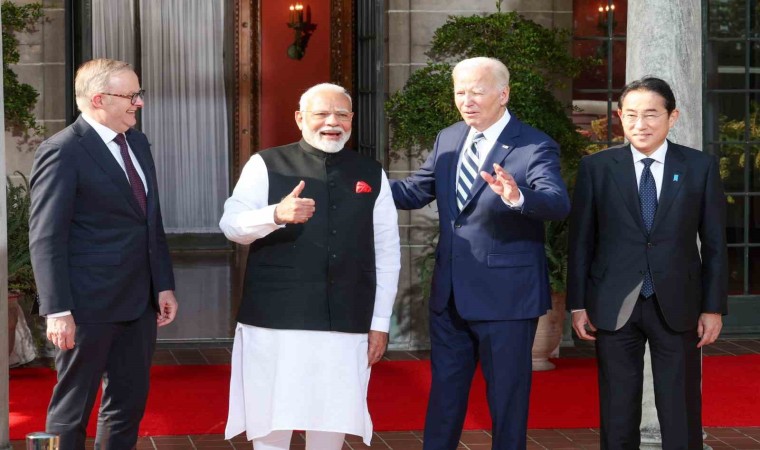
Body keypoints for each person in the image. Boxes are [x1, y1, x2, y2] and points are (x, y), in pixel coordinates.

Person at [390, 57, 570, 450]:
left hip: (507, 298)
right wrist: (362, 184)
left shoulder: (533, 144)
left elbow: (557, 203)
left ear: (503, 94)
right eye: (460, 92)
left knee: (507, 399)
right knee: (444, 395)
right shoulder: (449, 137)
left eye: (476, 91)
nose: (466, 101)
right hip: (451, 294)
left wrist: (517, 195)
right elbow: (416, 190)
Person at [219, 82, 401, 450]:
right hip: (275, 319)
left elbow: (387, 251)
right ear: (300, 119)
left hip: (346, 318)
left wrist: (380, 323)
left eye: (342, 115)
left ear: (351, 120)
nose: (332, 122)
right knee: (271, 418)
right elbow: (232, 226)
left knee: (333, 419)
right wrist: (276, 214)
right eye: (321, 114)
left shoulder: (371, 171)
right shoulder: (266, 164)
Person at [567, 76, 728, 450]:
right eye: (631, 115)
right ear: (620, 117)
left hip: (679, 302)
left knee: (680, 405)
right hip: (613, 302)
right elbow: (581, 242)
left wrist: (713, 308)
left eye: (652, 114)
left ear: (673, 117)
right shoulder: (597, 168)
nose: (640, 124)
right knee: (617, 405)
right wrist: (577, 304)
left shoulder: (700, 167)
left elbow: (715, 244)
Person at [29, 58, 178, 450]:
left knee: (127, 405)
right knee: (72, 408)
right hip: (86, 305)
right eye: (131, 95)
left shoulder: (138, 143)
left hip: (139, 301)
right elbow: (46, 237)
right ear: (99, 99)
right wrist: (57, 310)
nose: (139, 103)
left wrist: (163, 284)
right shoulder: (62, 150)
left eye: (138, 94)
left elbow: (150, 221)